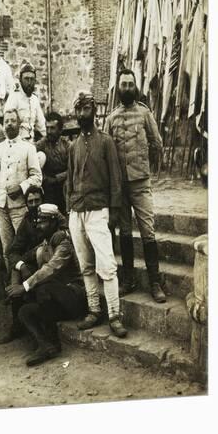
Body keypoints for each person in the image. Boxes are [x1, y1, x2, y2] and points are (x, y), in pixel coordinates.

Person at [67, 90, 127, 338]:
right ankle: (94, 310)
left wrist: (113, 211)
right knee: (86, 266)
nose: (82, 114)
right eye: (79, 110)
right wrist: (69, 207)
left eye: (87, 109)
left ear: (94, 112)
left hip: (99, 211)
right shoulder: (73, 146)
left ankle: (114, 315)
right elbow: (69, 181)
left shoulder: (106, 142)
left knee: (108, 266)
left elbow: (116, 179)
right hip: (76, 212)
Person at [104, 69, 166, 303]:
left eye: (131, 84)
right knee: (126, 233)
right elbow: (106, 151)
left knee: (148, 231)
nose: (127, 88)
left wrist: (147, 168)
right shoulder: (111, 118)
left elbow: (157, 143)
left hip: (141, 183)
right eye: (124, 84)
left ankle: (155, 282)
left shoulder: (144, 113)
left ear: (135, 87)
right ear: (118, 88)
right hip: (120, 186)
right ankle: (128, 279)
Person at [6, 204, 87, 366]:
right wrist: (21, 267)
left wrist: (25, 286)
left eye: (43, 222)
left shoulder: (64, 243)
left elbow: (51, 268)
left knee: (43, 287)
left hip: (74, 298)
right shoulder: (45, 243)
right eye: (37, 221)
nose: (38, 225)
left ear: (53, 222)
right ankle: (45, 345)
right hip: (56, 301)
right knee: (24, 311)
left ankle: (53, 342)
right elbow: (20, 256)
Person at [0, 185, 67, 344]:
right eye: (30, 202)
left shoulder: (52, 215)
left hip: (52, 264)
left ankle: (42, 333)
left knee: (38, 284)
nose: (34, 204)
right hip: (33, 261)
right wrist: (22, 266)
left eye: (37, 200)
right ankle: (17, 325)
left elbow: (67, 229)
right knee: (15, 270)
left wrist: (63, 232)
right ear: (26, 204)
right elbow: (12, 251)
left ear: (43, 201)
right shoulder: (27, 221)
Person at [0, 108, 42, 271]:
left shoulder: (28, 148)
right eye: (6, 121)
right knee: (7, 249)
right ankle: (10, 286)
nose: (9, 124)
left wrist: (20, 188)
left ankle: (25, 287)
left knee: (23, 248)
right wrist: (1, 192)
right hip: (1, 206)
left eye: (13, 121)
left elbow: (37, 177)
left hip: (20, 207)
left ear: (19, 124)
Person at [36, 111, 70, 214]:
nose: (49, 131)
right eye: (47, 128)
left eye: (52, 128)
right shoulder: (41, 144)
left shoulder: (67, 145)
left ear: (60, 130)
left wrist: (57, 178)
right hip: (47, 186)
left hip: (64, 185)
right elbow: (33, 163)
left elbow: (73, 168)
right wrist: (46, 178)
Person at [4, 60, 46, 143]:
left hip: (32, 143)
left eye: (32, 79)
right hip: (17, 143)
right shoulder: (14, 98)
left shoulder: (34, 99)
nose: (29, 83)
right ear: (20, 80)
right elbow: (7, 126)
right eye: (26, 79)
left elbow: (42, 125)